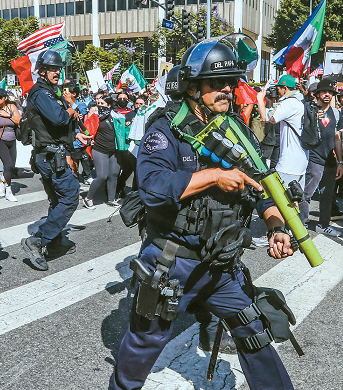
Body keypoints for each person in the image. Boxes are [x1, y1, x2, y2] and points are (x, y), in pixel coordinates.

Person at [109, 41, 296, 390]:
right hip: (172, 262)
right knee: (145, 342)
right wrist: (213, 175)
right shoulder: (166, 131)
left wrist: (275, 225)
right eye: (217, 83)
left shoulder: (236, 128)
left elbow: (258, 185)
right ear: (193, 87)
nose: (227, 89)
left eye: (231, 82)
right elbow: (152, 188)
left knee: (254, 330)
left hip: (219, 266)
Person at [20, 49, 91, 271]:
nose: (56, 72)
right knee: (70, 197)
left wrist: (75, 134)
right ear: (41, 71)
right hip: (51, 156)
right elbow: (58, 118)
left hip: (52, 153)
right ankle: (38, 241)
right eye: (52, 68)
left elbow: (53, 126)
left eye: (58, 68)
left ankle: (56, 242)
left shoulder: (51, 92)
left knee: (57, 200)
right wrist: (71, 109)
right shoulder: (41, 93)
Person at [298, 78, 343, 236]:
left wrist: (340, 161)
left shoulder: (336, 113)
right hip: (314, 158)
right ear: (316, 94)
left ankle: (323, 224)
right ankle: (302, 223)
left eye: (330, 92)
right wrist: (311, 118)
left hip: (330, 160)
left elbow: (337, 137)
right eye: (324, 91)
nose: (327, 94)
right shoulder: (307, 108)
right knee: (308, 194)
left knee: (327, 194)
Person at [257, 74, 309, 189]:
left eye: (278, 89)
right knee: (294, 201)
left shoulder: (289, 103)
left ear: (285, 88)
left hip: (289, 165)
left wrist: (260, 99)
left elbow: (266, 117)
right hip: (300, 162)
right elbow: (274, 118)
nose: (277, 91)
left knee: (278, 199)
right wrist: (270, 102)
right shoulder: (299, 101)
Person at [82, 96, 120, 209]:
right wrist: (89, 140)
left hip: (114, 150)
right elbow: (86, 130)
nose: (99, 105)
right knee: (102, 176)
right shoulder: (95, 116)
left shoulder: (117, 116)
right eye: (98, 103)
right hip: (100, 149)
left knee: (113, 175)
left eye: (102, 103)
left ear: (109, 105)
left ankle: (111, 199)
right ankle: (88, 198)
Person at [0, 87, 20, 202]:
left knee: (11, 166)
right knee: (8, 164)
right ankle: (8, 191)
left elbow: (20, 121)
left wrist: (8, 115)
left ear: (5, 98)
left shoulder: (12, 107)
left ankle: (3, 184)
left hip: (12, 139)